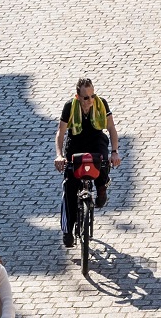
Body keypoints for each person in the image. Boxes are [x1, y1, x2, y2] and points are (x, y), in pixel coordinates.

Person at [54, 78, 121, 248]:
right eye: (85, 98)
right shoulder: (69, 107)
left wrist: (114, 152)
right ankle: (68, 231)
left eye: (92, 96)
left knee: (103, 162)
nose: (90, 100)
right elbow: (61, 133)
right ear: (78, 97)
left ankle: (101, 188)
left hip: (95, 141)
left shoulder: (101, 104)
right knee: (70, 185)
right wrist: (59, 155)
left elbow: (111, 128)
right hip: (75, 143)